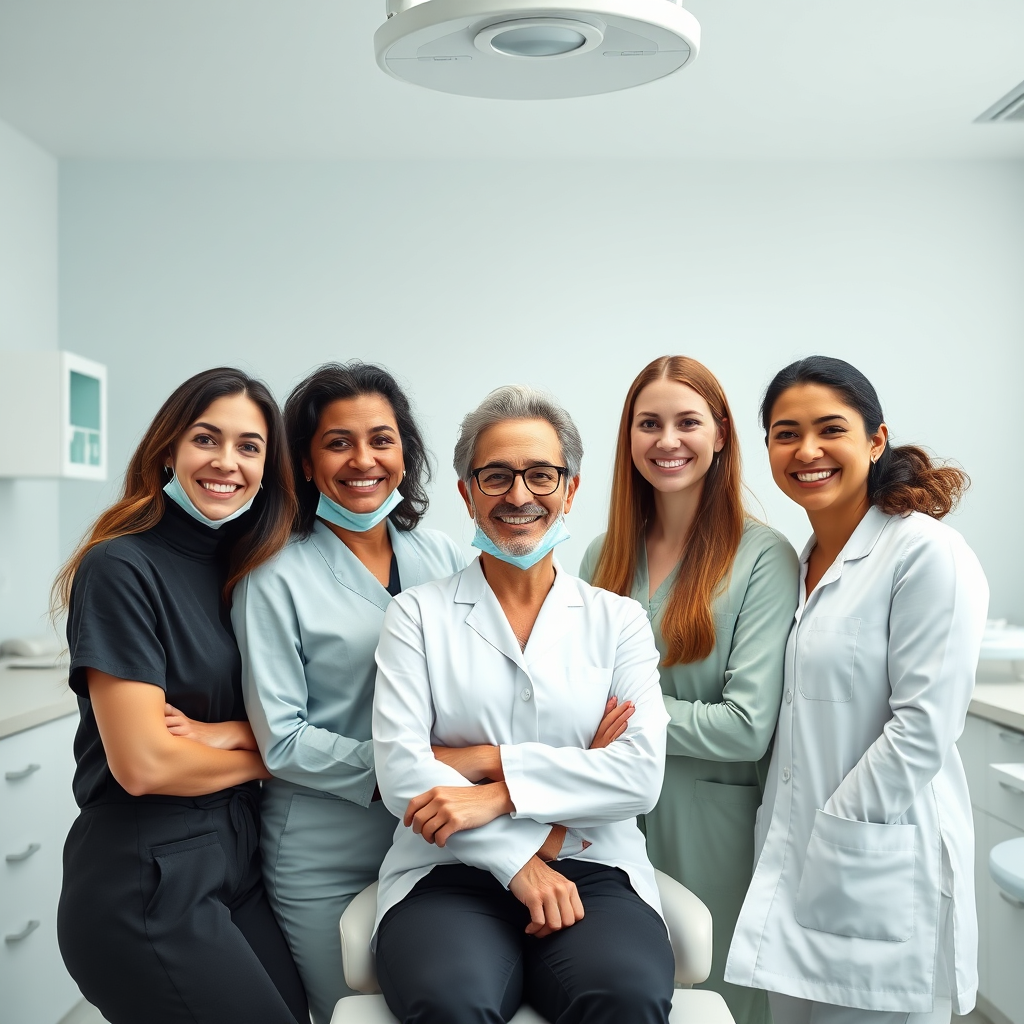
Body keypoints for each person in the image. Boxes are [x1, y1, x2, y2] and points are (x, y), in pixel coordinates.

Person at [370, 385, 675, 1024]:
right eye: (497, 476)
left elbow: (639, 776)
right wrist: (520, 861)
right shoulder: (416, 616)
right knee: (451, 999)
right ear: (466, 492)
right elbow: (403, 774)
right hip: (447, 869)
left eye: (540, 475)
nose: (518, 496)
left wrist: (491, 781)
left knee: (624, 994)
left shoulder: (617, 621)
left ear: (570, 488)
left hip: (593, 862)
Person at [725, 356, 988, 1024]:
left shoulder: (925, 552)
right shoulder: (800, 560)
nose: (806, 450)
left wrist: (840, 832)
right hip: (797, 864)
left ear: (876, 440)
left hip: (875, 863)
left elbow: (923, 727)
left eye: (828, 429)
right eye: (785, 433)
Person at [54, 368, 308, 1024]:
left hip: (237, 857)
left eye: (250, 447)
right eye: (207, 439)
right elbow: (146, 764)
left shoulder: (247, 569)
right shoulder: (121, 566)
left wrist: (234, 737)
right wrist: (280, 755)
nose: (227, 462)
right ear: (169, 448)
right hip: (147, 872)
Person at [230, 361, 465, 1024]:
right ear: (305, 463)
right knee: (352, 1015)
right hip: (325, 851)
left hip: (437, 842)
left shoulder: (444, 557)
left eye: (381, 440)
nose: (363, 460)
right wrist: (420, 769)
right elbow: (283, 738)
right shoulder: (273, 575)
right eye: (338, 443)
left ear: (405, 453)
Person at [580, 354, 799, 1024]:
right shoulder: (602, 554)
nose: (666, 440)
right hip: (608, 816)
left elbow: (744, 725)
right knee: (616, 993)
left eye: (687, 422)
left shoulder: (763, 556)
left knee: (712, 999)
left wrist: (629, 716)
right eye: (649, 423)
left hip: (709, 821)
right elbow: (576, 697)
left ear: (722, 433)